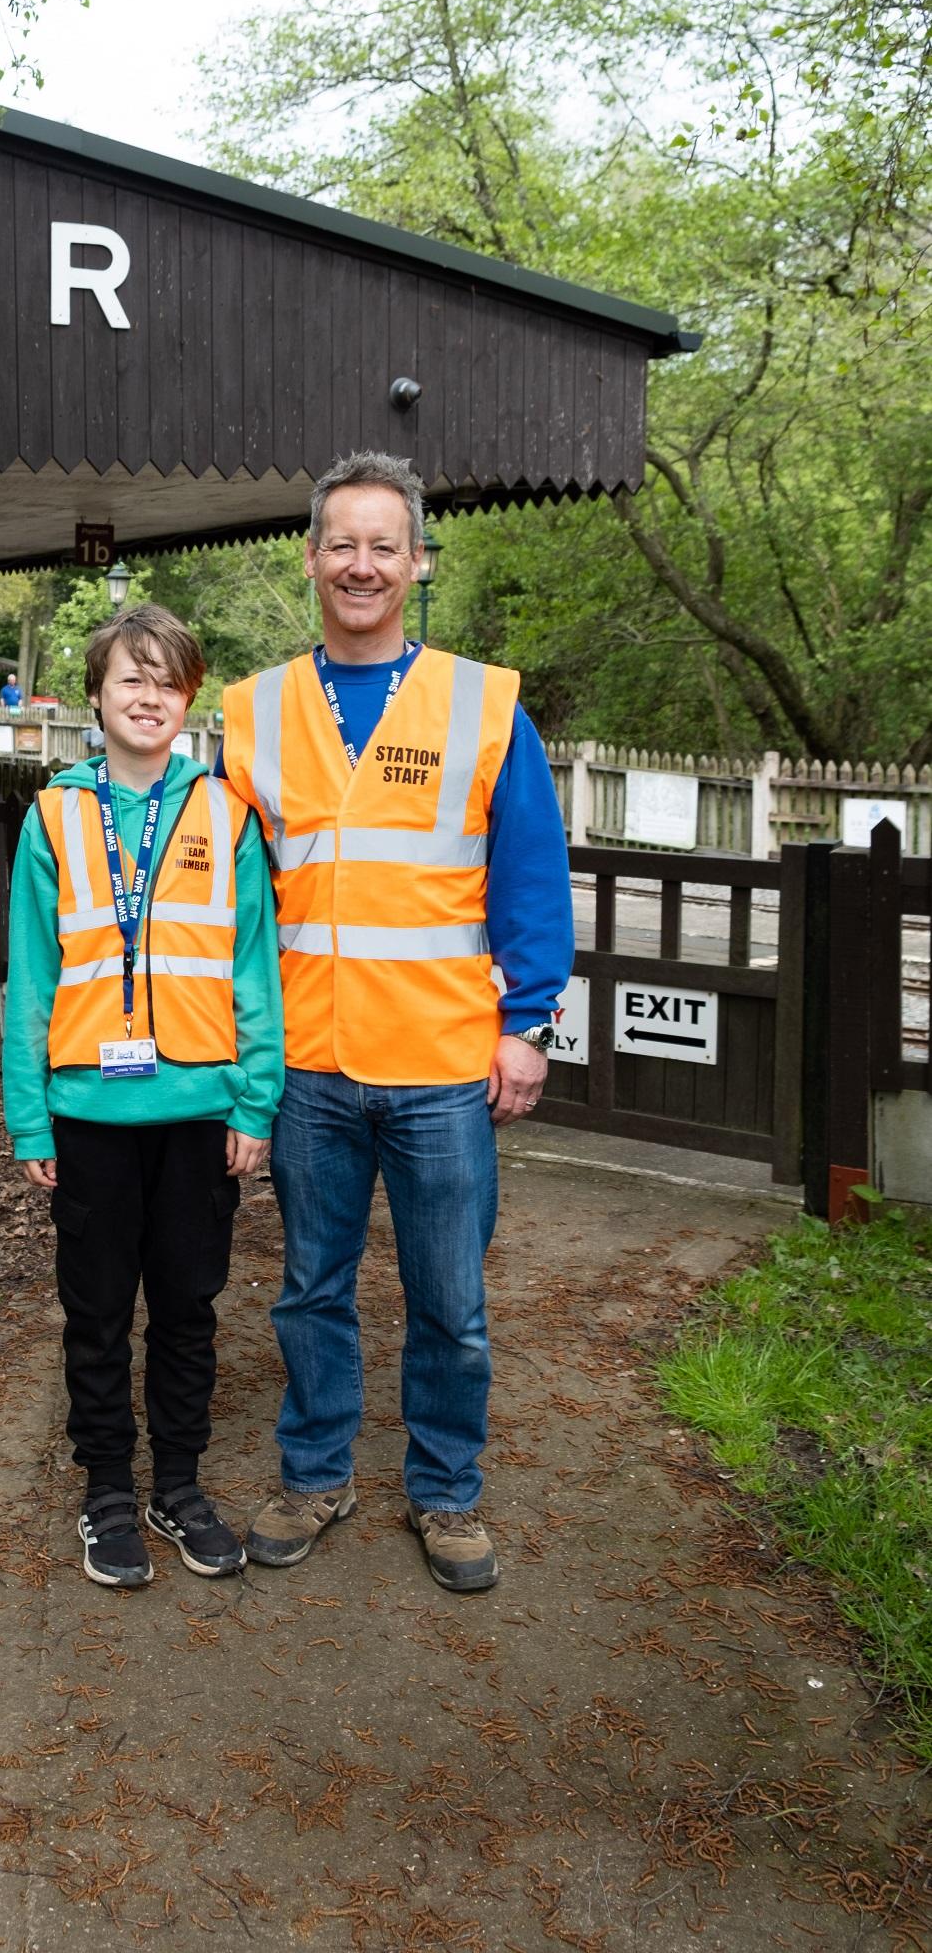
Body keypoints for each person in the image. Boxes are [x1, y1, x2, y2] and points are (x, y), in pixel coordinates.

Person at [219, 450, 574, 1595]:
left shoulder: (484, 703)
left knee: (451, 1304)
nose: (361, 563)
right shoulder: (251, 712)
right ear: (311, 558)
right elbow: (219, 895)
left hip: (441, 1063)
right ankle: (314, 1473)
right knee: (309, 1288)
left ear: (417, 562)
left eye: (385, 544)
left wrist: (527, 1024)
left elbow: (531, 876)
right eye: (341, 543)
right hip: (310, 1065)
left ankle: (446, 1493)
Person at [3, 605, 284, 1589]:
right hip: (88, 1119)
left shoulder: (228, 816)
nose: (149, 695)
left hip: (198, 1116)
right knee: (95, 1315)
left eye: (168, 679)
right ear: (95, 693)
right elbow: (31, 980)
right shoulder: (52, 817)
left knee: (188, 1308)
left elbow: (256, 974)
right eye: (131, 677)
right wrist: (27, 1113)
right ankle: (109, 1494)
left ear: (189, 697)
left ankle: (179, 1484)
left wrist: (254, 1103)